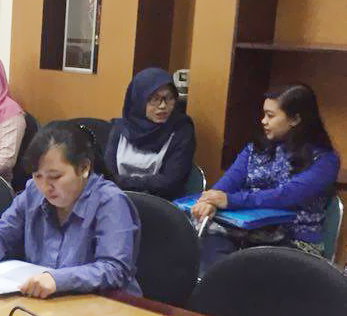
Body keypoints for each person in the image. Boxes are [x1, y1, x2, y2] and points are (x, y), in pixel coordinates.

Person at [0, 124, 142, 297]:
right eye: (38, 176)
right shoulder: (33, 192)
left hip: (104, 308)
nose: (45, 187)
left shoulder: (110, 202)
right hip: (43, 302)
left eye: (55, 177)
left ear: (83, 168)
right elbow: (0, 234)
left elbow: (114, 269)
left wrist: (58, 280)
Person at [192, 84, 339, 273]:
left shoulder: (325, 160)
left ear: (295, 119)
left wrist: (229, 200)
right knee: (202, 248)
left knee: (246, 271)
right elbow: (228, 182)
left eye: (270, 116)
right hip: (244, 233)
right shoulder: (256, 148)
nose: (263, 121)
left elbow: (286, 196)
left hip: (294, 243)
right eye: (264, 114)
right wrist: (210, 201)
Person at [105, 68, 196, 200]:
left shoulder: (181, 130)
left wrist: (122, 182)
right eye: (155, 99)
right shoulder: (120, 129)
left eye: (169, 98)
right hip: (116, 198)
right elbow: (107, 175)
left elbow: (170, 182)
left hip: (160, 203)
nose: (163, 106)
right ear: (139, 100)